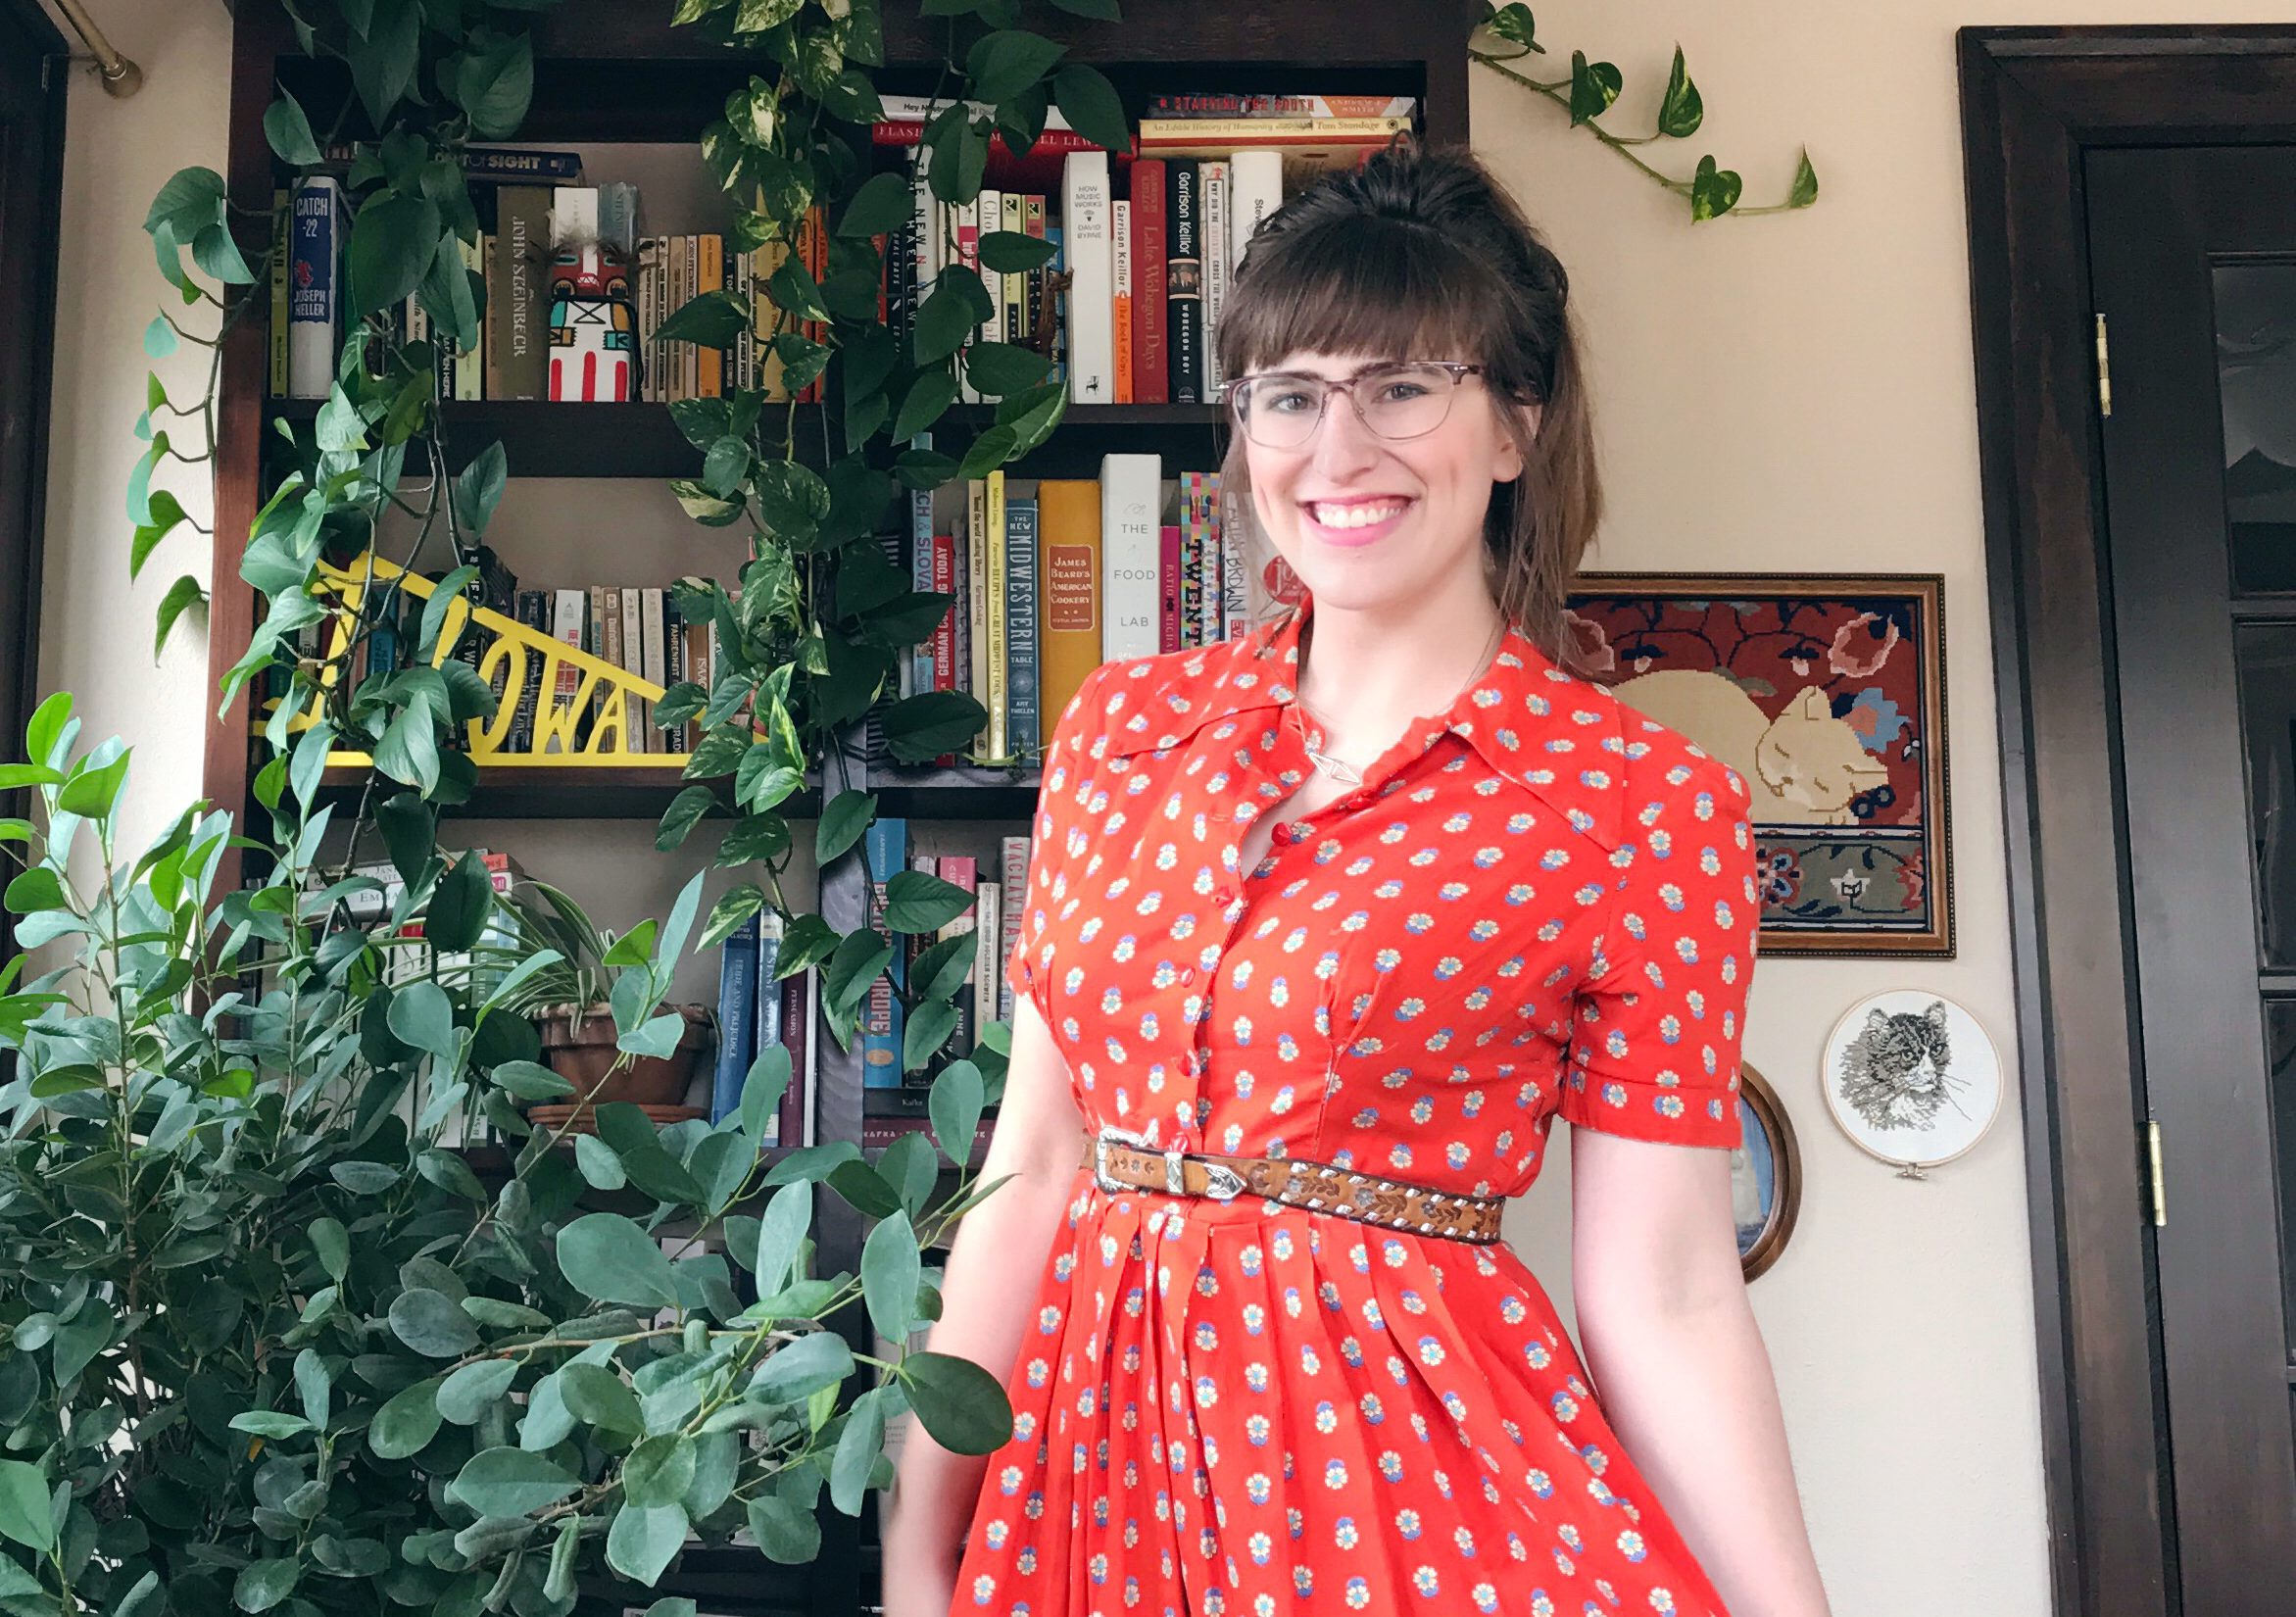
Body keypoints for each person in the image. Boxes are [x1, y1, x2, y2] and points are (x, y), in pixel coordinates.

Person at [882, 135, 1833, 1617]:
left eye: (1402, 387)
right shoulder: (1123, 734)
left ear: (1518, 422)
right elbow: (1037, 1169)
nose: (1338, 451)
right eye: (1291, 394)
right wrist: (919, 1530)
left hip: (1402, 1498)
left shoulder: (1645, 809)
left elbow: (1665, 1291)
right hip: (1085, 1478)